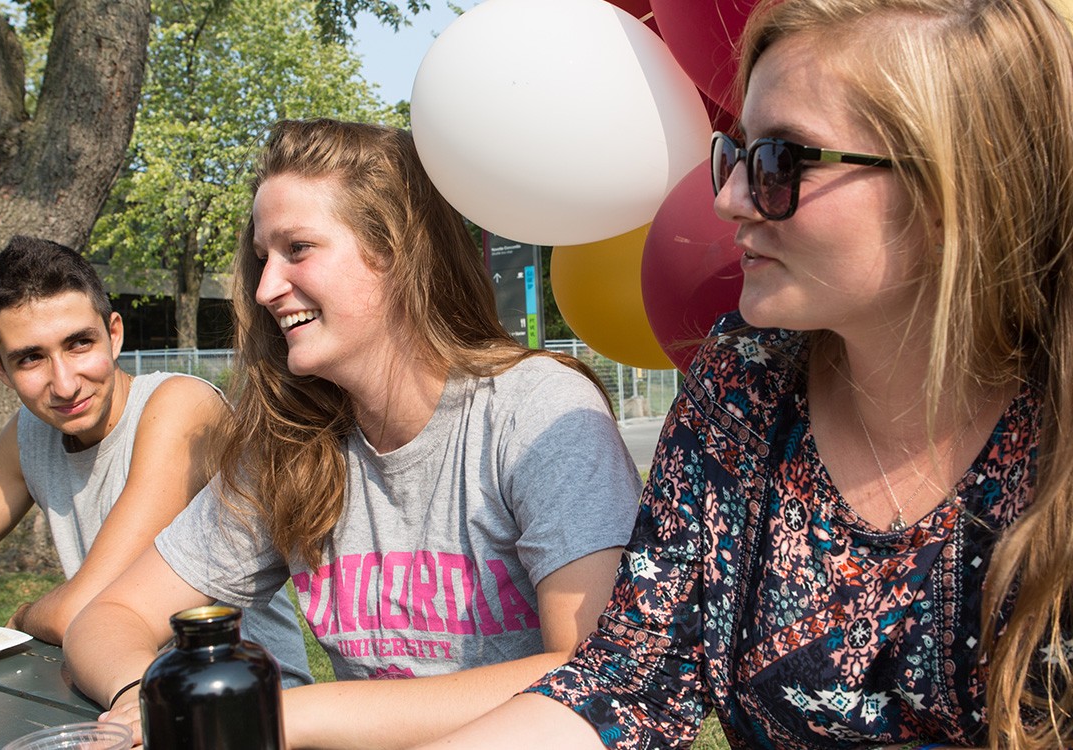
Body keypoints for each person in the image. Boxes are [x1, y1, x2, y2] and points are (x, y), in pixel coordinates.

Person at [420, 0, 1073, 747]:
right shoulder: (743, 383)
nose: (727, 199)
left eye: (780, 163)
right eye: (733, 155)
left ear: (954, 187)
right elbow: (628, 685)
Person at [64, 118, 643, 747]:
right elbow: (107, 619)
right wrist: (142, 701)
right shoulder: (294, 444)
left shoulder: (534, 409)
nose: (265, 289)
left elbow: (595, 672)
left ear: (394, 251)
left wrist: (285, 715)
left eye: (298, 249)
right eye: (263, 258)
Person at [0, 236, 311, 687]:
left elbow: (84, 609)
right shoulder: (29, 435)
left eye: (79, 344)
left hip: (243, 699)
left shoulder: (180, 407)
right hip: (110, 691)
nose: (64, 384)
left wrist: (19, 618)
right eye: (31, 358)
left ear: (114, 334)